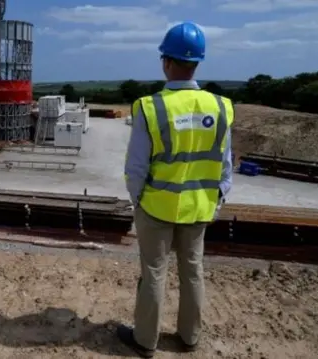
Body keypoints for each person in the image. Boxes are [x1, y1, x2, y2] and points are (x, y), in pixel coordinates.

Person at [117, 21, 234, 358]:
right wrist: (217, 198)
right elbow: (226, 166)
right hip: (199, 207)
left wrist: (137, 199)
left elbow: (136, 168)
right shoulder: (222, 107)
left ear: (165, 61)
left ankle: (145, 341)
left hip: (156, 207)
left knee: (154, 273)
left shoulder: (150, 107)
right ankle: (189, 337)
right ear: (197, 62)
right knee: (193, 271)